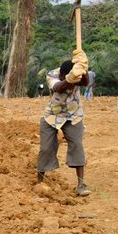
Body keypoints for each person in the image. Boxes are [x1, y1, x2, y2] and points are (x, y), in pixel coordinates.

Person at [36, 50, 91, 197]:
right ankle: (39, 181)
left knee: (77, 146)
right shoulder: (51, 75)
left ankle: (81, 184)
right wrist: (70, 78)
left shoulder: (77, 73)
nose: (61, 77)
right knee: (46, 148)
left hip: (73, 115)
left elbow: (85, 83)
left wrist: (82, 69)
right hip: (52, 115)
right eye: (62, 75)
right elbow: (58, 87)